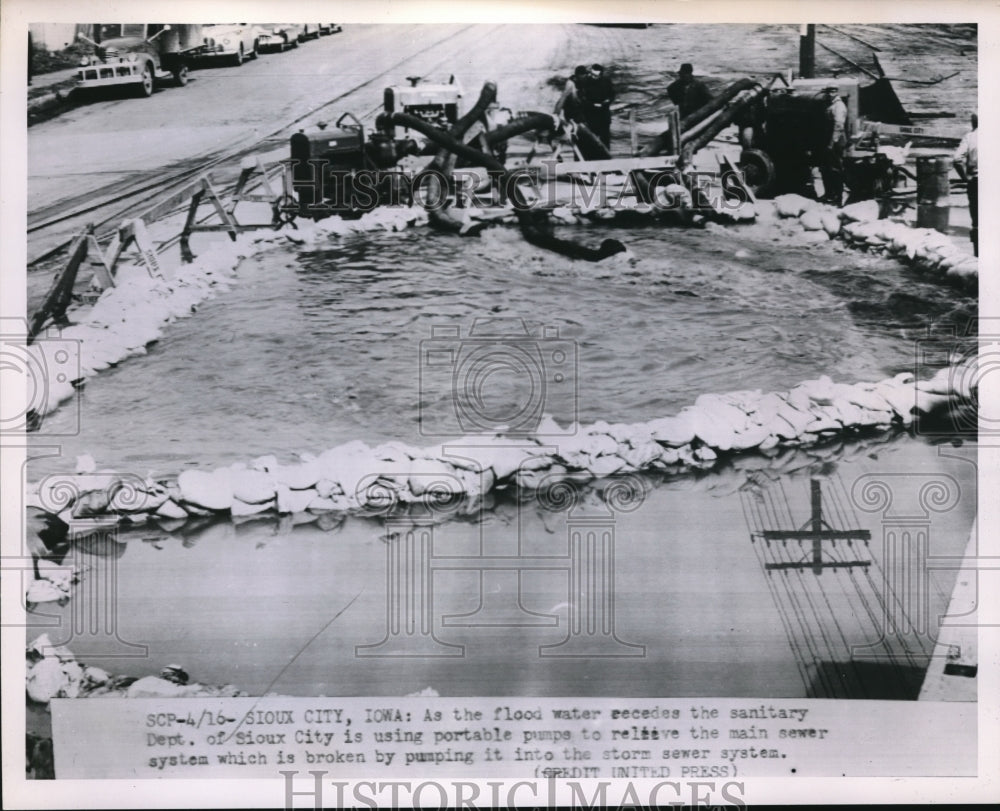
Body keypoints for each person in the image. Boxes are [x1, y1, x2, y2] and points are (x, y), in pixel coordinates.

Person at [818, 85, 847, 206]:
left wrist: (832, 142)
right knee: (826, 168)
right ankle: (829, 194)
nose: (830, 94)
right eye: (828, 92)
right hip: (828, 140)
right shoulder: (831, 104)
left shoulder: (838, 106)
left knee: (835, 169)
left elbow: (838, 126)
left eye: (832, 91)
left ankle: (838, 197)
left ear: (836, 92)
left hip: (835, 141)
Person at [954, 112, 978, 256]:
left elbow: (956, 159)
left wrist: (965, 178)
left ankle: (978, 257)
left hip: (976, 182)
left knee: (977, 222)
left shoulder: (970, 137)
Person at [583, 63, 615, 148]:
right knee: (591, 139)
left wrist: (607, 101)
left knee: (605, 139)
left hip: (604, 114)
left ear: (600, 75)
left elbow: (612, 95)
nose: (593, 77)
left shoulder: (606, 81)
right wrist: (592, 105)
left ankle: (606, 158)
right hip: (591, 114)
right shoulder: (586, 82)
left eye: (595, 75)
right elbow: (582, 98)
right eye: (592, 74)